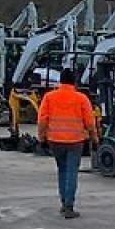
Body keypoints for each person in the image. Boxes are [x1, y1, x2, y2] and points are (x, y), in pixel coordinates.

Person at [37, 68, 99, 219]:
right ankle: (69, 206)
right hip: (75, 141)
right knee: (71, 172)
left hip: (55, 140)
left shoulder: (49, 97)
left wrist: (42, 138)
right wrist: (95, 139)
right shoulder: (81, 98)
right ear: (75, 81)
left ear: (60, 81)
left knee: (62, 170)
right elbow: (90, 123)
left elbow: (42, 120)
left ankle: (64, 202)